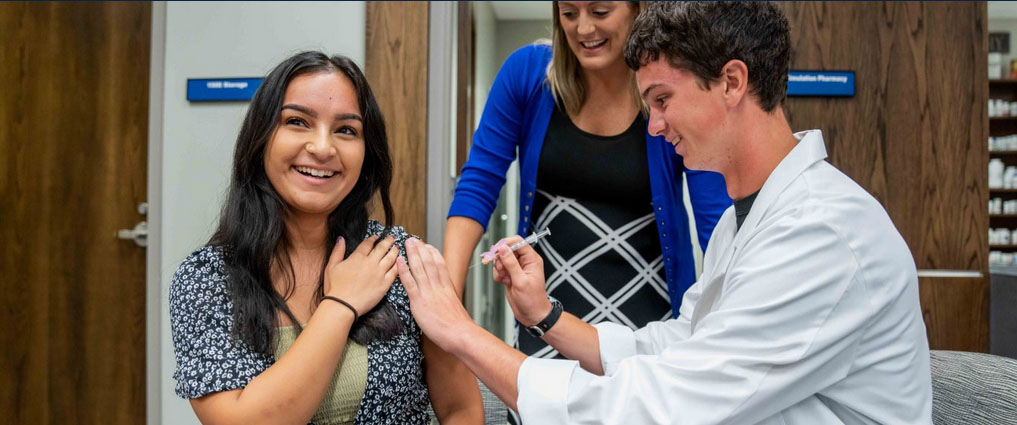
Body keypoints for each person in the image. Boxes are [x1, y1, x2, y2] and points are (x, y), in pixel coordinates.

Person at [399, 2, 933, 424]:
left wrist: (462, 334)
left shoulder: (820, 236)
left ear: (731, 82)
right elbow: (676, 343)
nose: (652, 127)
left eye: (660, 100)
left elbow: (657, 407)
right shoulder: (747, 222)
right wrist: (546, 317)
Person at [168, 51, 482, 424]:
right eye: (298, 122)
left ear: (368, 154)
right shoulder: (206, 279)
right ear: (261, 138)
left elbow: (461, 409)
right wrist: (340, 305)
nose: (322, 148)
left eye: (346, 130)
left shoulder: (401, 260)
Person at [446, 0, 730, 363]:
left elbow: (717, 220)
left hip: (648, 333)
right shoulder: (527, 74)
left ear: (636, 10)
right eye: (569, 13)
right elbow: (478, 183)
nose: (582, 29)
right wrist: (448, 299)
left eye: (599, 12)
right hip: (544, 327)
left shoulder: (668, 87)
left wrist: (727, 323)